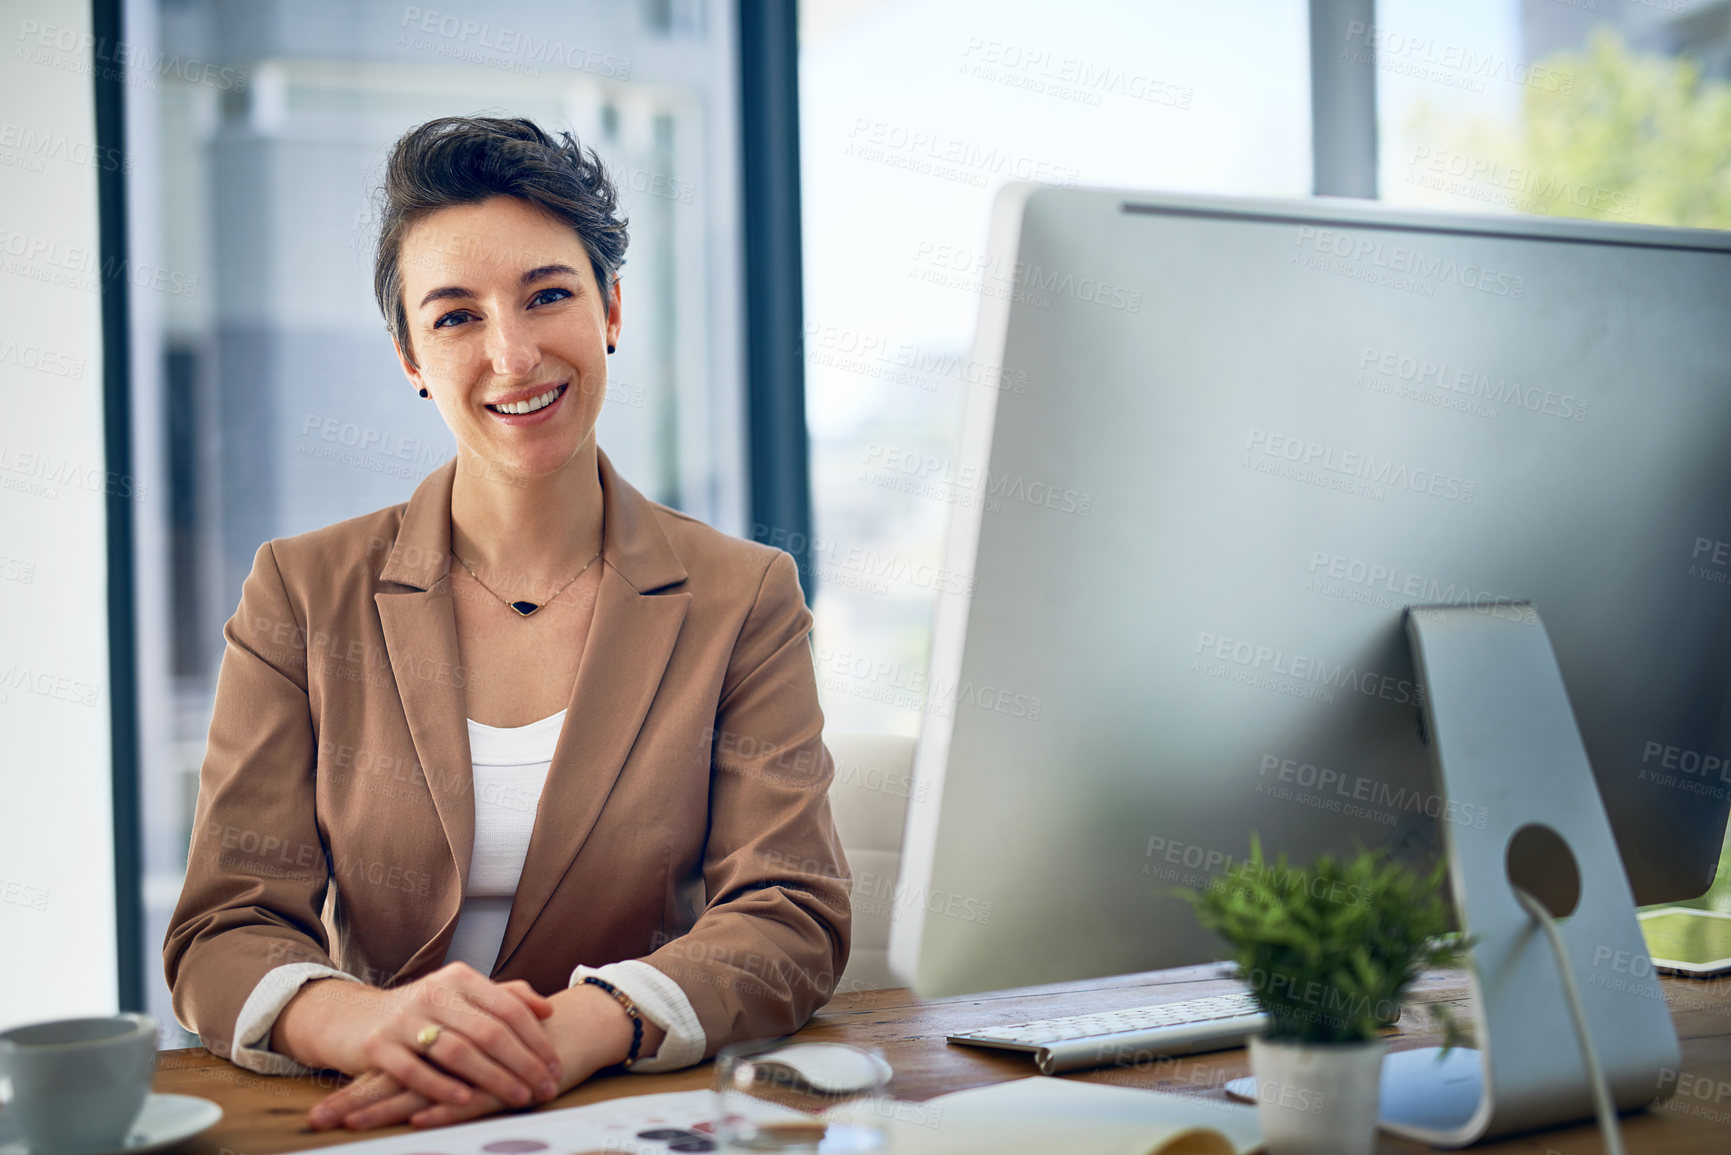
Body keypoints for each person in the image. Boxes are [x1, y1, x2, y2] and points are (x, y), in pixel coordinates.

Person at [163, 116, 851, 1132]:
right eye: (455, 317)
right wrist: (363, 1024)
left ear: (611, 306)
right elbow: (226, 926)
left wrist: (575, 1029)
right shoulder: (301, 593)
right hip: (378, 1111)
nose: (514, 354)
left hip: (632, 1113)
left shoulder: (742, 595)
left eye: (549, 295)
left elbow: (788, 913)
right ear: (408, 356)